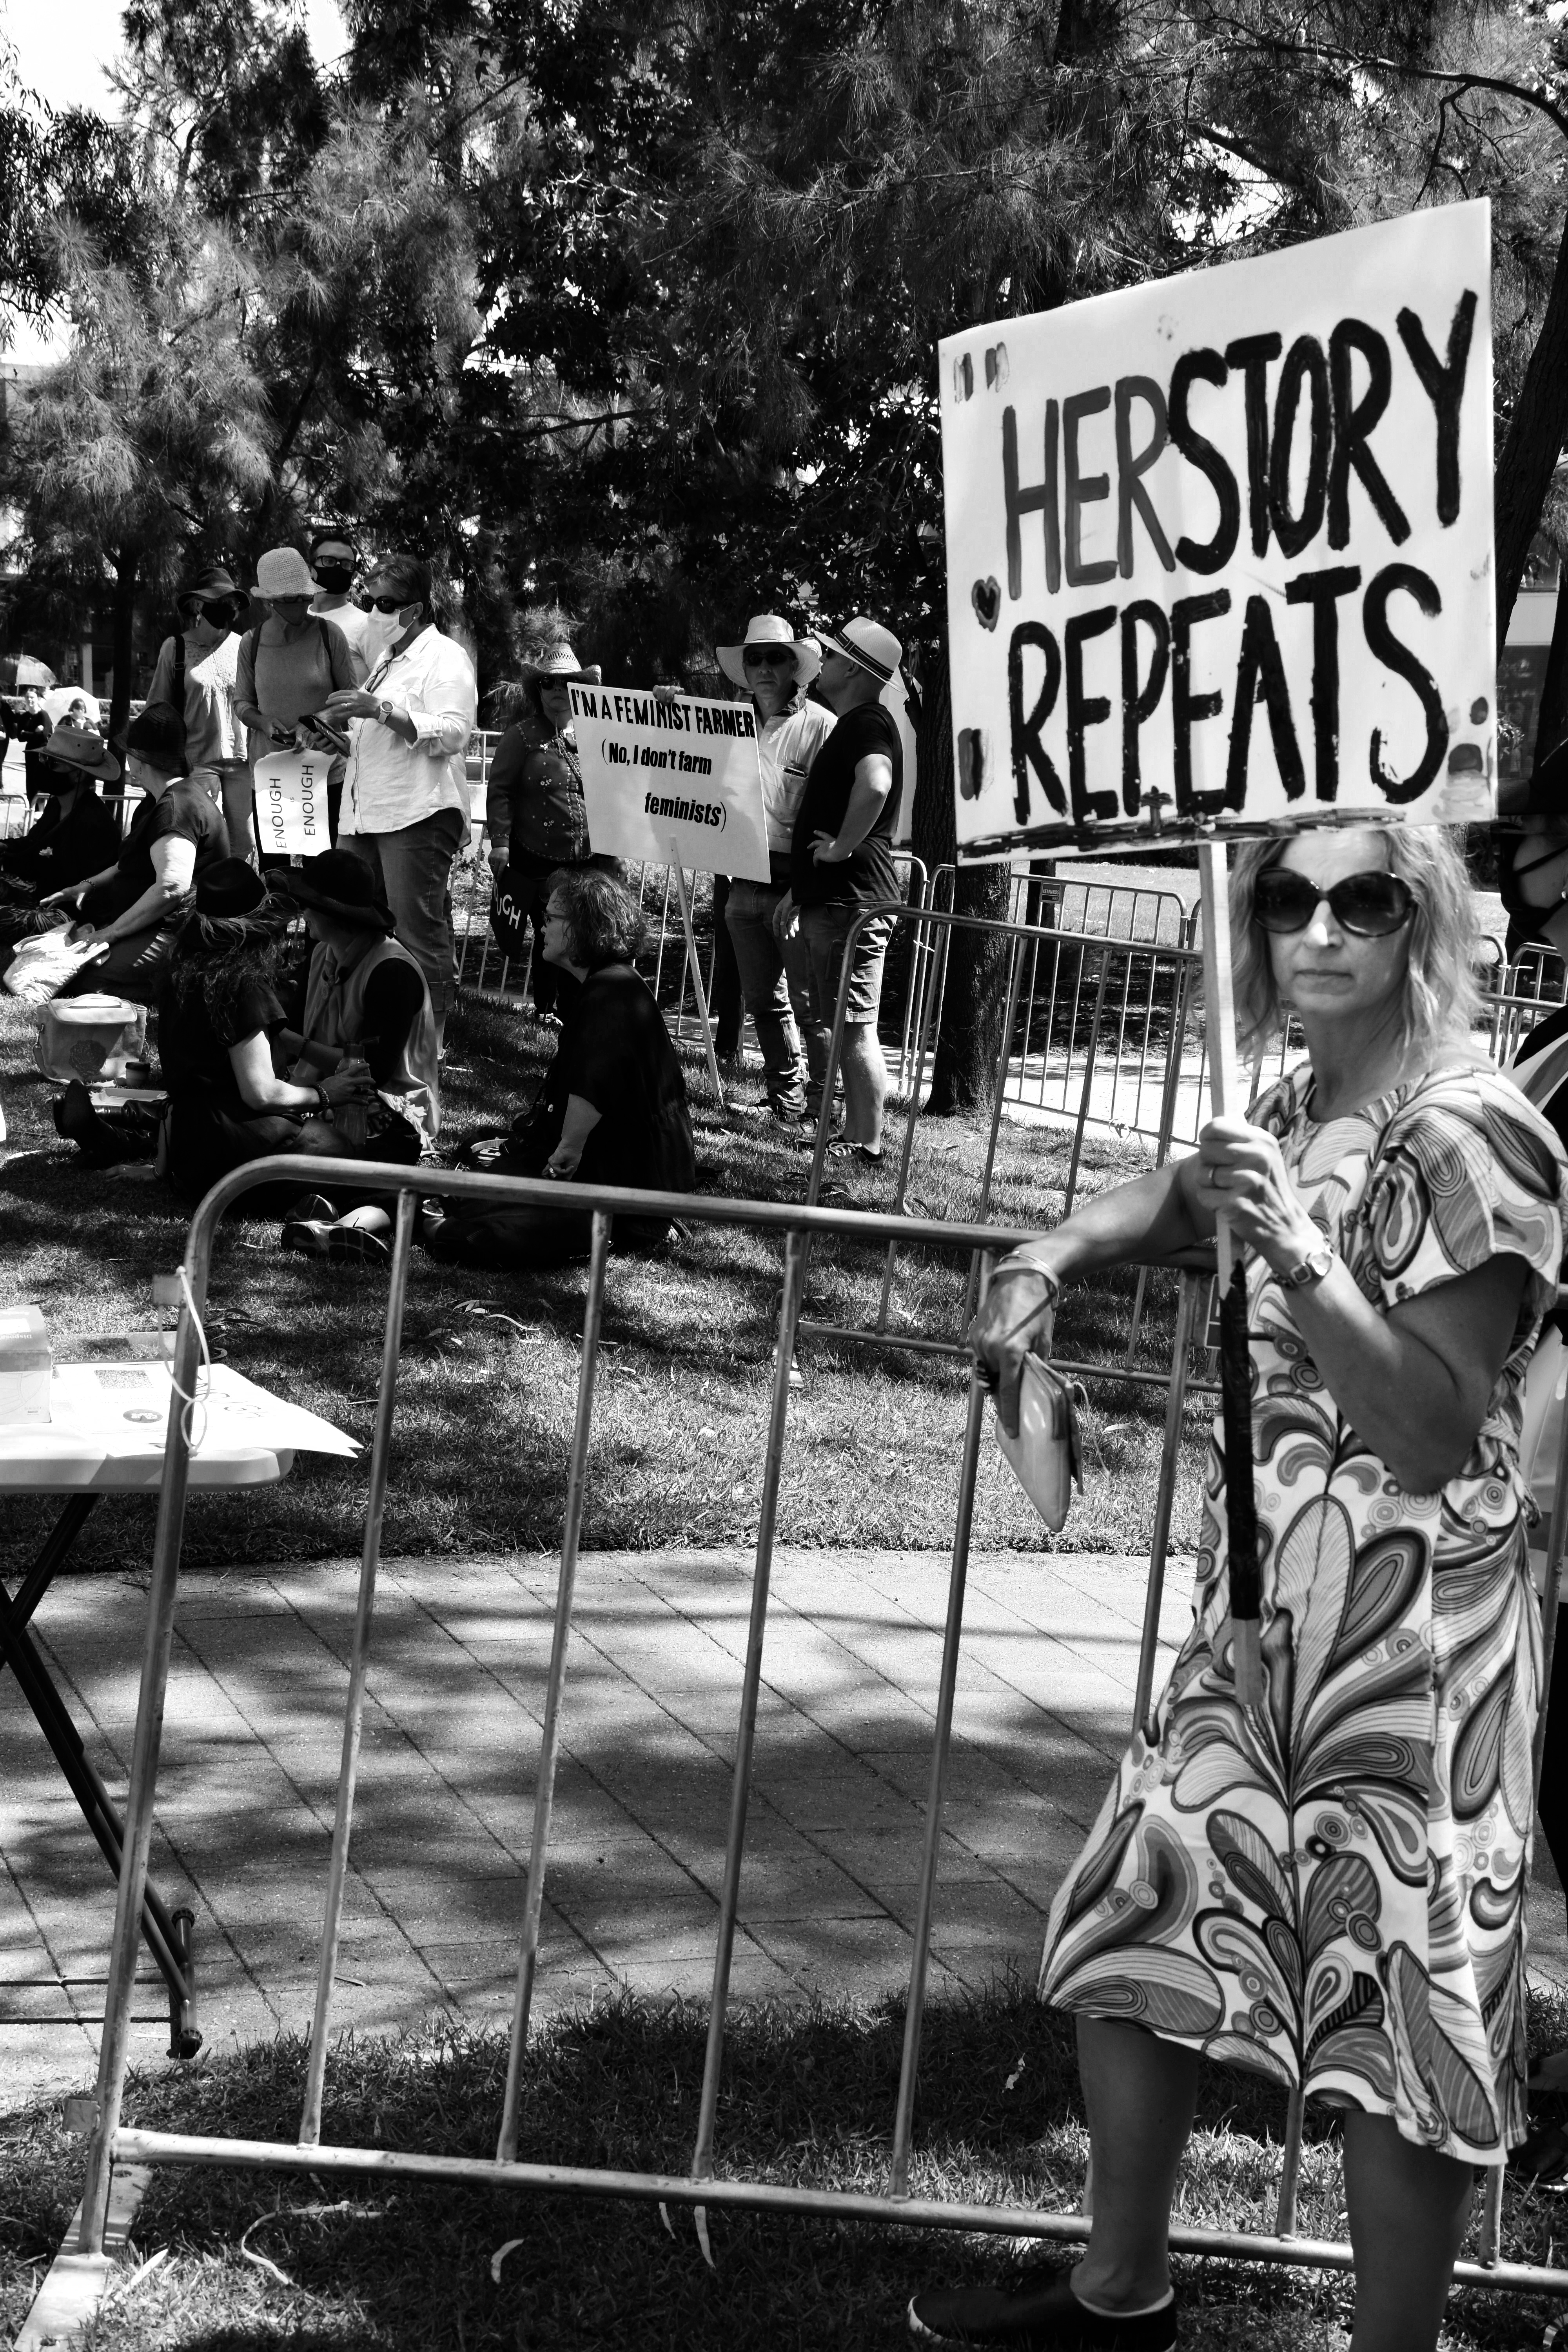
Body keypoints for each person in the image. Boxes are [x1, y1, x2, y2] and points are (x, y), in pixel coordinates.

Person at [906, 824, 1565, 2352]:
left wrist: (1297, 1251)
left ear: (1426, 922)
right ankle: (1120, 2293)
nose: (1319, 926)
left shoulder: (1478, 1129)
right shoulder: (1298, 1105)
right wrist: (1046, 1255)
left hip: (1419, 1662)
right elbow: (1184, 1193)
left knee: (1407, 2015)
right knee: (1132, 1927)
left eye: (1363, 898)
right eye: (1287, 898)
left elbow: (1431, 1422)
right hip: (1258, 1636)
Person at [139, 855, 425, 1237]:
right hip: (242, 1151)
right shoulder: (244, 983)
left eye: (306, 902)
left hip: (192, 1157)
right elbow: (261, 1093)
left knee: (371, 1154)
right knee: (396, 1175)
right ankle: (344, 1227)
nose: (298, 913)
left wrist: (163, 1167)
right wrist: (324, 1095)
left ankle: (320, 1210)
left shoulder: (184, 973)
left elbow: (374, 1071)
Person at [425, 866, 694, 1269]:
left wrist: (566, 1151)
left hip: (619, 1174)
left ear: (584, 928)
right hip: (635, 1170)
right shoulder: (614, 982)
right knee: (482, 1167)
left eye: (551, 919)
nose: (542, 927)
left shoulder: (607, 992)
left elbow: (595, 1080)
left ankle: (636, 1223)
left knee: (493, 1220)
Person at [321, 551, 479, 1051]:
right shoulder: (385, 662)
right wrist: (339, 737)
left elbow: (454, 732)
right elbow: (381, 741)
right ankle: (359, 1037)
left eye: (386, 603)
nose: (375, 612)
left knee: (417, 930)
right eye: (370, 600)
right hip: (364, 811)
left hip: (417, 811)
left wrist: (380, 709)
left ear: (415, 609)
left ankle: (428, 1048)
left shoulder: (446, 657)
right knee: (346, 921)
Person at [779, 615, 904, 1164]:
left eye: (829, 655)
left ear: (852, 667)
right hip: (838, 898)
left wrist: (840, 849)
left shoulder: (865, 724)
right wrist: (803, 887)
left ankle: (868, 1144)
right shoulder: (859, 721)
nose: (821, 662)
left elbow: (876, 783)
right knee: (847, 1023)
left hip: (854, 901)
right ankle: (857, 1138)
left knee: (855, 1028)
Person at [710, 614, 836, 1122]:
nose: (764, 667)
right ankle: (788, 1101)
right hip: (742, 886)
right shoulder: (723, 723)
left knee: (811, 1008)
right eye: (755, 658)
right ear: (745, 667)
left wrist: (806, 890)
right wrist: (666, 706)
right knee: (764, 1001)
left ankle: (828, 1106)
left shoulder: (823, 726)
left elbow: (830, 815)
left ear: (794, 666)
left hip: (797, 892)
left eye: (775, 657)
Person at [42, 702, 227, 1002]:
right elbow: (128, 864)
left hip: (174, 935)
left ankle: (178, 992)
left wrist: (111, 933)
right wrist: (84, 886)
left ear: (139, 761)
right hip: (154, 928)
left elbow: (171, 886)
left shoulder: (176, 808)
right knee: (73, 968)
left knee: (80, 978)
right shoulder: (159, 801)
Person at [484, 643, 603, 1024]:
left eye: (566, 682)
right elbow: (499, 790)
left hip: (585, 859)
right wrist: (500, 844)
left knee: (577, 932)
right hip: (533, 859)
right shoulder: (520, 737)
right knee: (553, 929)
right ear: (538, 690)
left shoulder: (595, 737)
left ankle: (568, 1010)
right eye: (549, 682)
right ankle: (549, 1008)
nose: (557, 689)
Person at [232, 546, 360, 859]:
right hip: (271, 776)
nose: (302, 605)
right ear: (270, 601)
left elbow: (353, 700)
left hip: (324, 774)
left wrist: (317, 721)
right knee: (276, 873)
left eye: (305, 597)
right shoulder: (252, 642)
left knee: (325, 872)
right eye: (291, 599)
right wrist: (262, 722)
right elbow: (242, 703)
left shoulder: (330, 636)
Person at [145, 564, 249, 851]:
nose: (226, 609)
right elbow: (157, 709)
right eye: (218, 602)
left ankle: (237, 896)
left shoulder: (244, 646)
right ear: (198, 606)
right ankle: (199, 896)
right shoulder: (175, 648)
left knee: (246, 843)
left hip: (241, 761)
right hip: (196, 761)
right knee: (207, 842)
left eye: (231, 603)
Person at [0, 722, 123, 951]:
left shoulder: (94, 822)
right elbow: (33, 845)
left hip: (73, 918)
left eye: (53, 763)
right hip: (46, 897)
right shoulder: (57, 805)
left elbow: (90, 895)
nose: (44, 766)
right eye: (44, 759)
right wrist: (5, 848)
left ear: (77, 776)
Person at [308, 529, 373, 677]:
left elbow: (388, 683)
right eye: (329, 561)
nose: (337, 568)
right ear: (311, 569)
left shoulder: (366, 626)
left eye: (346, 564)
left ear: (353, 576)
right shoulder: (297, 619)